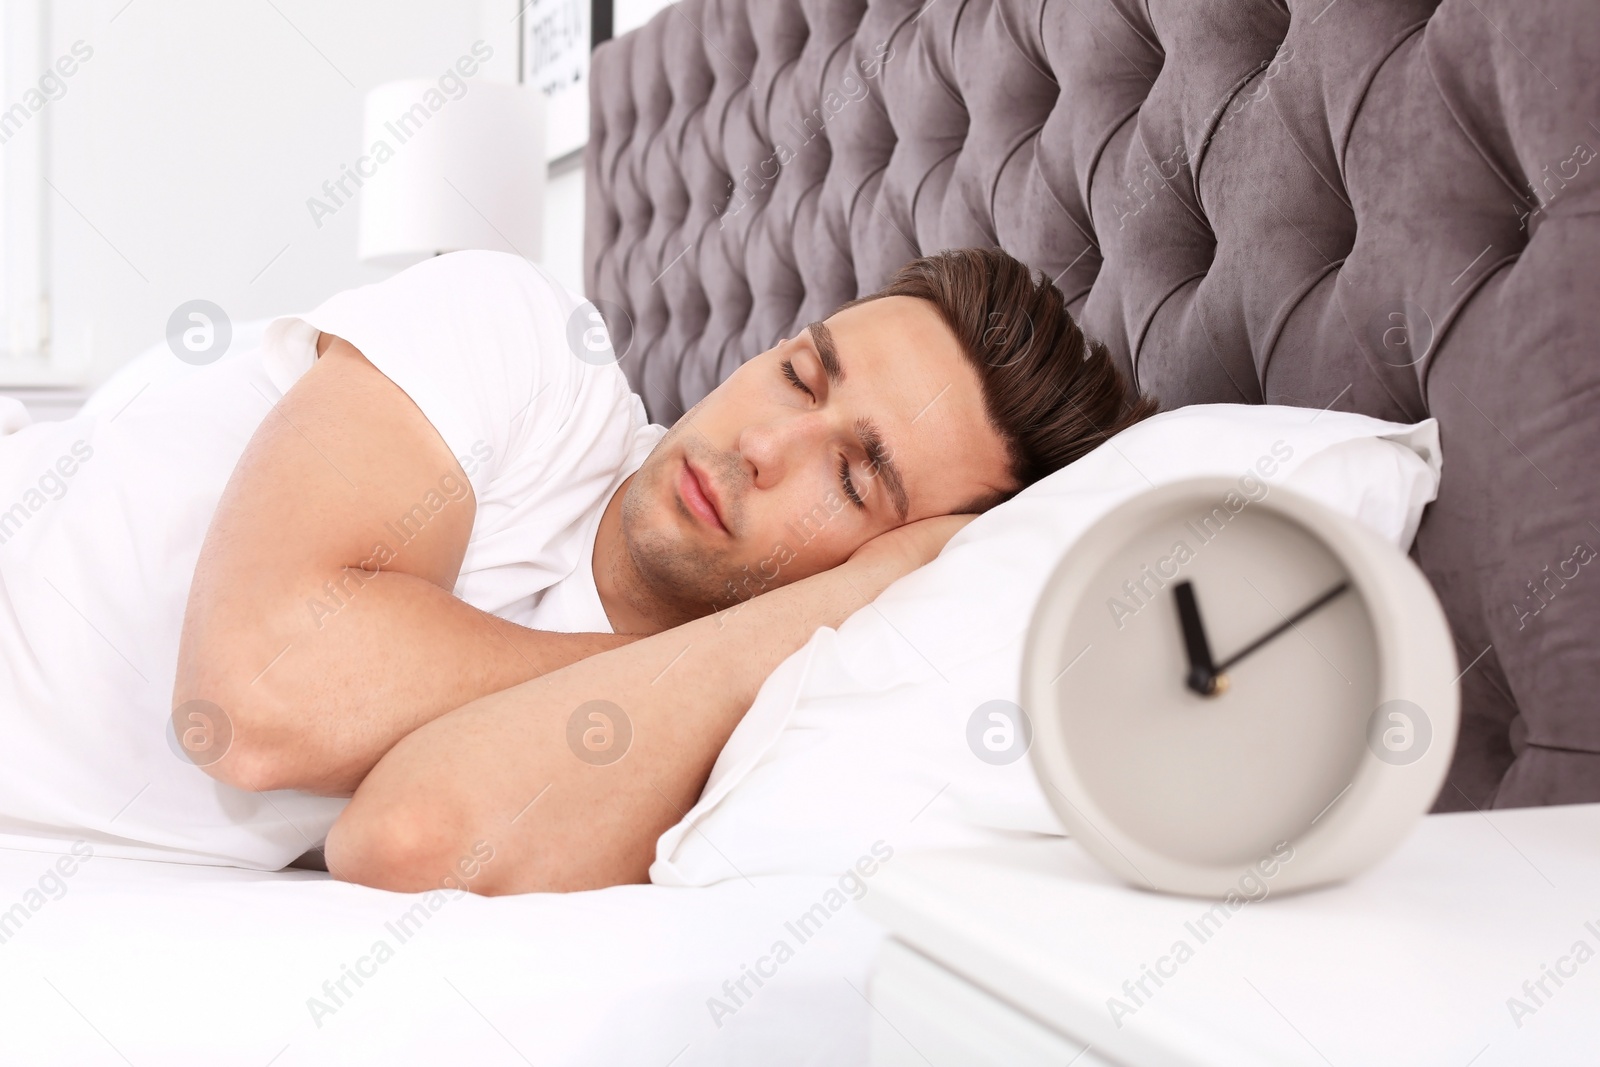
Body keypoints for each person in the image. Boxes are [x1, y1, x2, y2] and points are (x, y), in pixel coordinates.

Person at [0, 246, 1152, 894]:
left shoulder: (727, 730)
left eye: (854, 480)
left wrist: (833, 611)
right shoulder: (528, 346)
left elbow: (409, 841)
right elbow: (251, 700)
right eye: (802, 376)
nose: (761, 445)